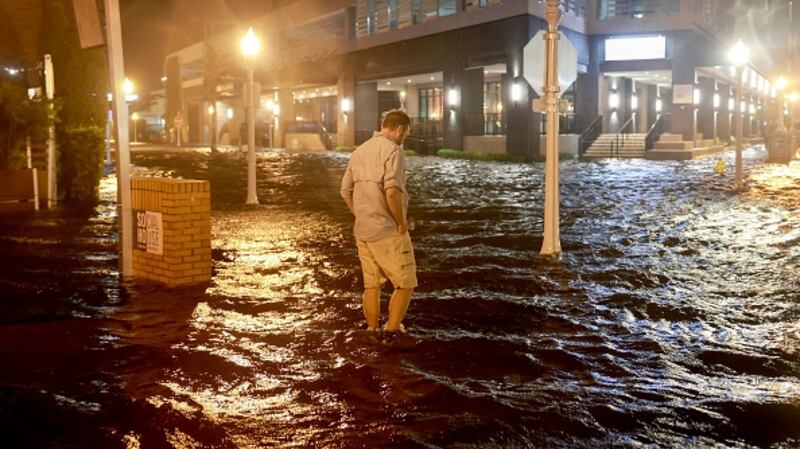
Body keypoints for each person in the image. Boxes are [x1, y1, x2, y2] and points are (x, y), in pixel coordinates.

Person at [340, 110, 417, 344]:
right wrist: (401, 223)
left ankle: (372, 330)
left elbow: (344, 191)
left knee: (371, 285)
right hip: (386, 230)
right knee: (405, 282)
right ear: (400, 129)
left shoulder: (359, 150)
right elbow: (392, 192)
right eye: (406, 134)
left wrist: (360, 214)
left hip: (362, 230)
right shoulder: (394, 151)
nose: (405, 138)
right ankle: (392, 332)